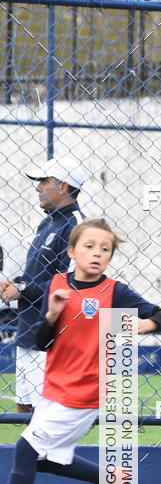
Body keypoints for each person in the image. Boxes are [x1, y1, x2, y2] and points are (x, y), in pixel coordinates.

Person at [0, 218, 161, 484]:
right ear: (72, 251)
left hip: (85, 391)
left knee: (25, 450)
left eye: (104, 249)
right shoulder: (57, 284)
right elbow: (42, 341)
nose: (97, 254)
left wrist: (143, 325)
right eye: (89, 247)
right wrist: (51, 314)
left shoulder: (115, 292)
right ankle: (109, 480)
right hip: (54, 387)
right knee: (42, 458)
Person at [0, 158, 86, 413]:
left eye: (44, 181)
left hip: (52, 337)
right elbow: (37, 277)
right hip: (28, 331)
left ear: (63, 186)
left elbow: (72, 282)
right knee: (24, 410)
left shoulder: (76, 225)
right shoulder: (48, 222)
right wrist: (14, 285)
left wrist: (23, 289)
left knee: (45, 421)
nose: (37, 187)